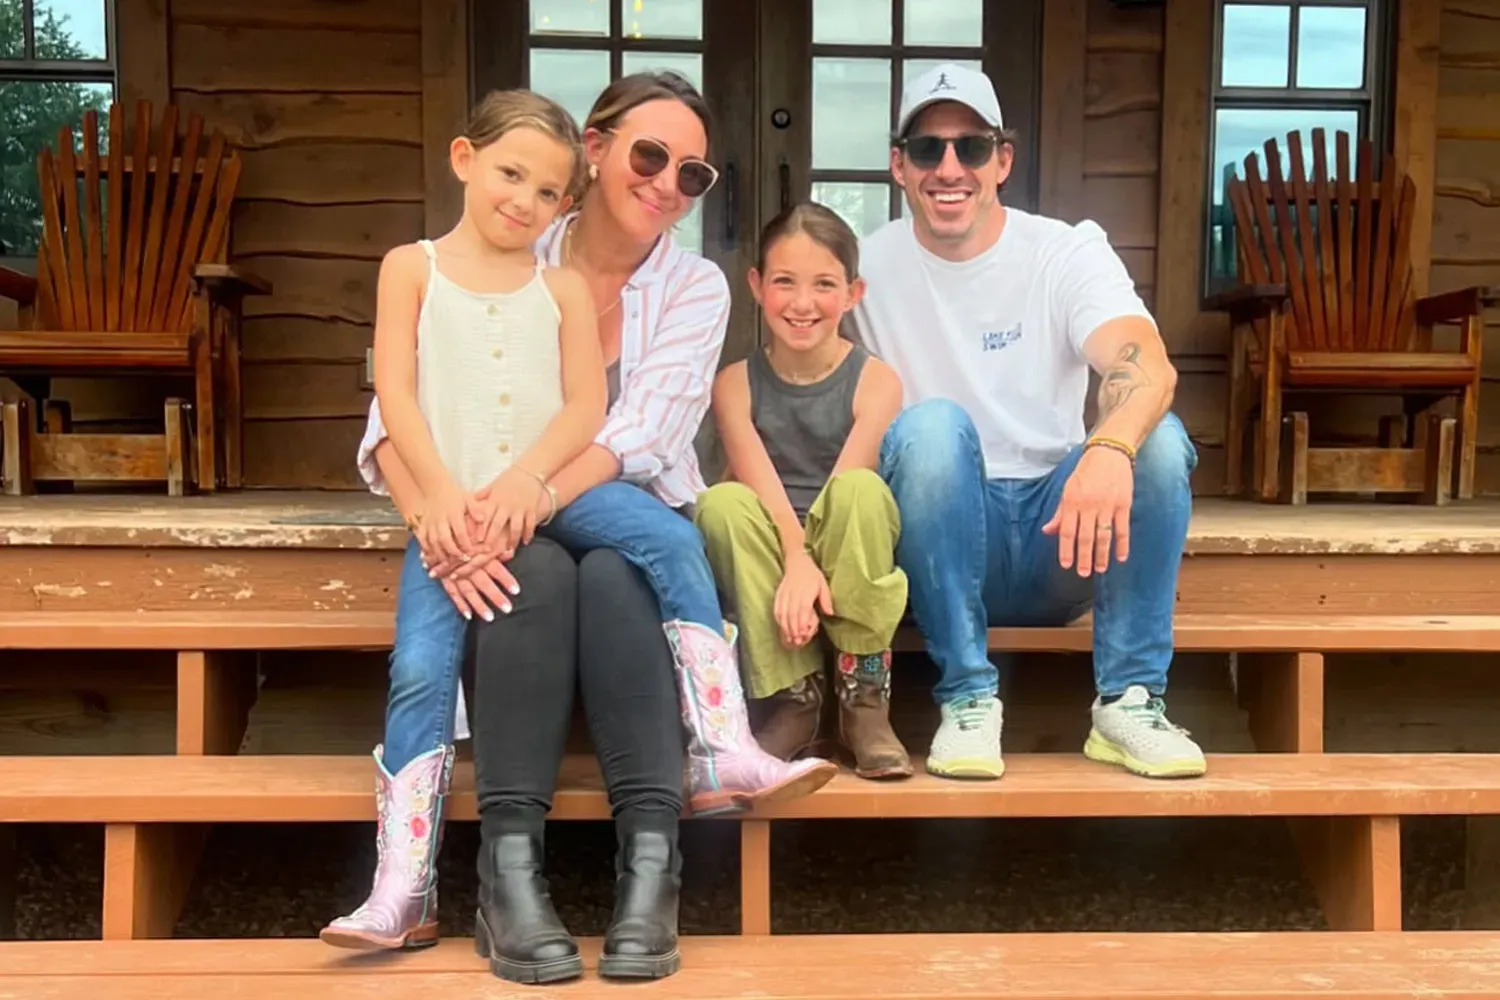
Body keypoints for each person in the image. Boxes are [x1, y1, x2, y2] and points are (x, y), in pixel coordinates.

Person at [345, 72, 835, 974]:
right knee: (532, 578)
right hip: (481, 513)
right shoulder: (498, 250)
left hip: (613, 500)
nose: (666, 183)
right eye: (650, 155)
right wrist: (440, 526)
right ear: (598, 153)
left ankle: (657, 859)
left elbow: (641, 430)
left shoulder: (692, 285)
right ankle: (502, 874)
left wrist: (530, 487)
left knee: (619, 575)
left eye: (693, 175)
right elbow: (399, 413)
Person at [849, 63, 1206, 782]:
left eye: (971, 148)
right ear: (898, 166)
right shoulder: (862, 265)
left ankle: (1130, 701)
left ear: (1002, 160)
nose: (950, 168)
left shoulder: (1064, 250)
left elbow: (1147, 364)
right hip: (941, 540)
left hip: (1059, 534)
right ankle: (968, 701)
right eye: (927, 150)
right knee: (930, 427)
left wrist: (1106, 445)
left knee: (1157, 441)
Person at [318, 89, 607, 952]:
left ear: (565, 207)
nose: (523, 200)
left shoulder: (562, 287)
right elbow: (396, 391)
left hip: (533, 519)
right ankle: (402, 889)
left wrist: (524, 481)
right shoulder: (413, 268)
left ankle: (716, 729)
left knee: (657, 540)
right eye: (510, 173)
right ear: (463, 159)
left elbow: (586, 406)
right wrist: (438, 500)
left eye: (548, 192)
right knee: (419, 671)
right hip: (443, 520)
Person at [695, 203, 911, 780]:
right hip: (774, 551)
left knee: (862, 493)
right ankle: (794, 697)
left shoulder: (877, 381)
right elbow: (757, 481)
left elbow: (844, 483)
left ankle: (864, 696)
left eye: (823, 284)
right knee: (722, 502)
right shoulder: (735, 384)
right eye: (784, 282)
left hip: (846, 546)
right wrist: (794, 559)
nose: (802, 303)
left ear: (853, 292)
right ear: (757, 286)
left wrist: (808, 564)